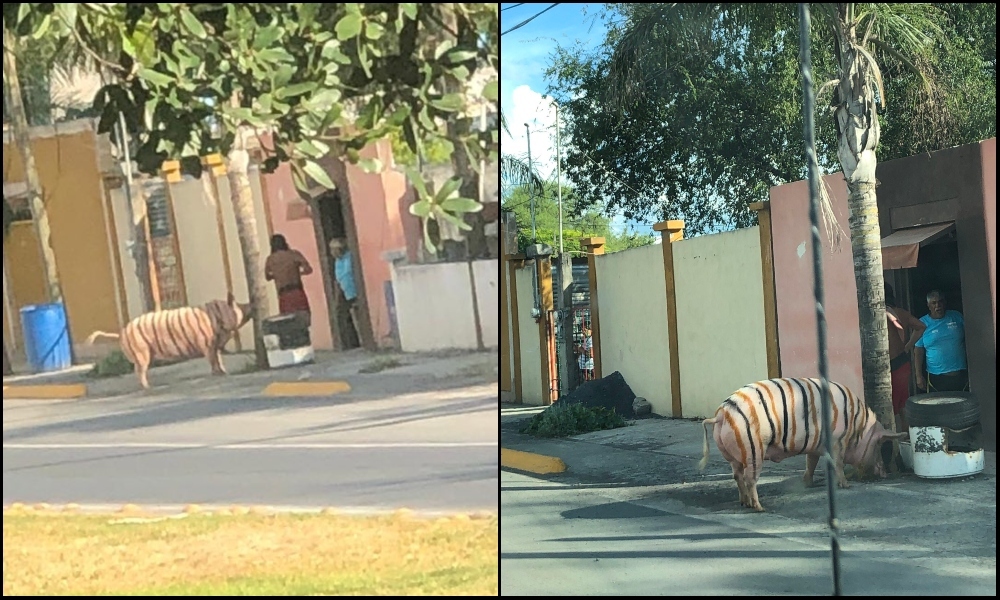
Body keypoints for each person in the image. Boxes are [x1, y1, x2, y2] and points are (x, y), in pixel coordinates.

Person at [884, 284, 925, 430]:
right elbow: (921, 326)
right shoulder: (901, 313)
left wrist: (908, 345)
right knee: (901, 403)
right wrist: (907, 345)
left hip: (893, 363)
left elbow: (921, 326)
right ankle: (905, 437)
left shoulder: (876, 314)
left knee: (894, 404)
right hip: (901, 362)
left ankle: (900, 438)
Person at [914, 289, 968, 392]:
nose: (938, 305)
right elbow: (918, 351)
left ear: (945, 302)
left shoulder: (956, 317)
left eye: (940, 301)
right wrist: (918, 376)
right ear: (928, 305)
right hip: (936, 377)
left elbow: (971, 338)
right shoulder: (922, 323)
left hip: (960, 374)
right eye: (933, 303)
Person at [264, 234, 313, 324]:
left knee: (288, 323)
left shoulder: (270, 260)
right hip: (297, 291)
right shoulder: (294, 255)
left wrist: (277, 274)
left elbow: (267, 277)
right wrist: (298, 273)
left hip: (283, 295)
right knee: (304, 321)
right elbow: (308, 269)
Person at [328, 238, 360, 340]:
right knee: (343, 314)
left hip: (353, 290)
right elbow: (338, 277)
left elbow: (348, 272)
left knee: (357, 314)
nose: (332, 252)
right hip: (344, 290)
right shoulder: (338, 261)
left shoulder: (349, 257)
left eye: (334, 249)